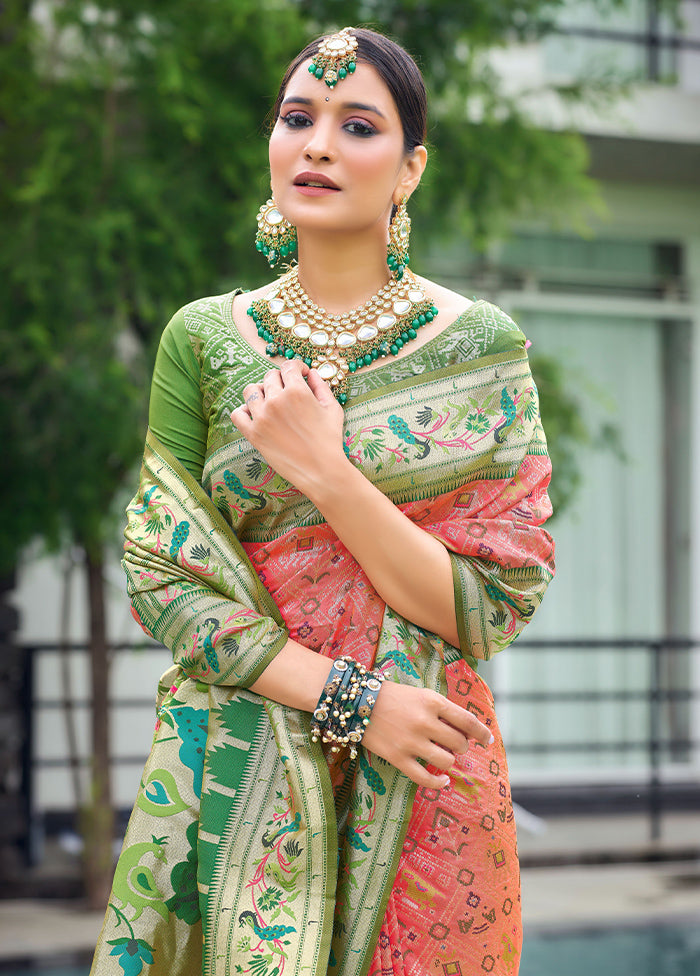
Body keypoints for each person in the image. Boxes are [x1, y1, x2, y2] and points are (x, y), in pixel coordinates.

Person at [90, 26, 554, 976]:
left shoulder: (482, 348)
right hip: (232, 764)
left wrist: (327, 471)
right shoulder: (204, 341)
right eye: (298, 118)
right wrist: (351, 699)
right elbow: (162, 578)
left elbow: (487, 604)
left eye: (358, 125)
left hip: (424, 779)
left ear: (410, 168)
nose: (318, 145)